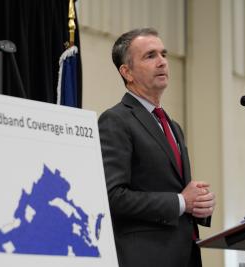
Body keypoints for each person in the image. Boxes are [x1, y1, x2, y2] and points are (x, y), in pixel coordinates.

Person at [98, 28, 215, 267]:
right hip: (145, 257)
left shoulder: (173, 126)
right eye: (150, 56)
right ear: (126, 72)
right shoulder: (116, 120)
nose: (162, 62)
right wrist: (181, 202)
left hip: (185, 255)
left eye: (164, 54)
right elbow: (112, 196)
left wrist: (199, 206)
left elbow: (176, 191)